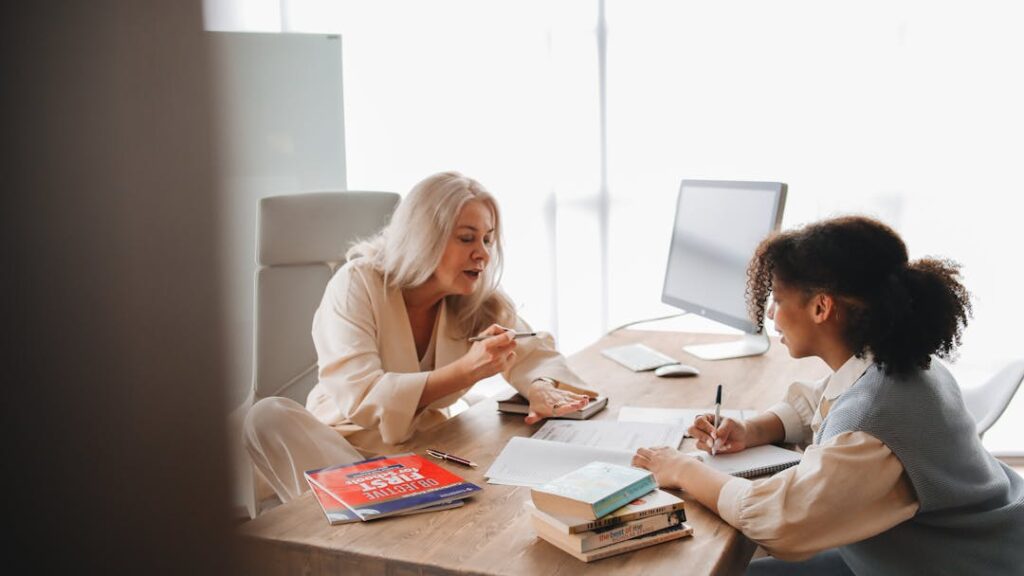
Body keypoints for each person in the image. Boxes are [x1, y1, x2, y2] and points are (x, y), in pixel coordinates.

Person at [632, 216, 1024, 574]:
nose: (771, 315)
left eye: (778, 300)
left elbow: (780, 520)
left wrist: (682, 469)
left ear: (821, 307)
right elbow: (825, 399)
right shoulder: (897, 363)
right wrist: (753, 430)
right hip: (940, 546)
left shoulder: (873, 427)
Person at [245, 171, 597, 503]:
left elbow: (530, 350)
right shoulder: (357, 284)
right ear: (425, 236)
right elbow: (363, 397)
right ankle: (365, 510)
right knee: (267, 416)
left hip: (422, 450)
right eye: (466, 238)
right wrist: (465, 371)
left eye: (488, 239)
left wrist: (540, 387)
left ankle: (382, 513)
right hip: (340, 447)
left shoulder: (478, 302)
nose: (483, 253)